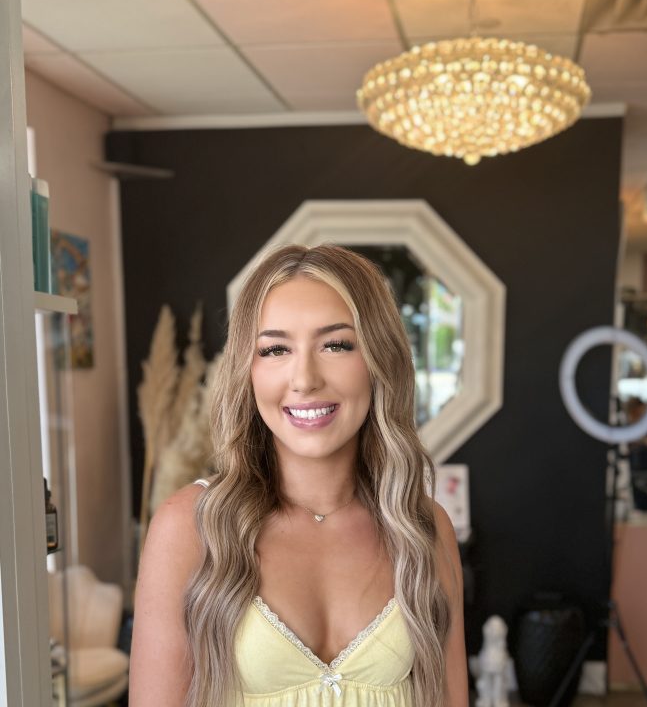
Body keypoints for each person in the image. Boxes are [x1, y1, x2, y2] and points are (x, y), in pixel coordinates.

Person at [129, 244, 468, 707]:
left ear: (378, 360)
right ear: (248, 371)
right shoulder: (189, 527)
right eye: (275, 349)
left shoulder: (424, 528)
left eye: (336, 344)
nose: (305, 379)